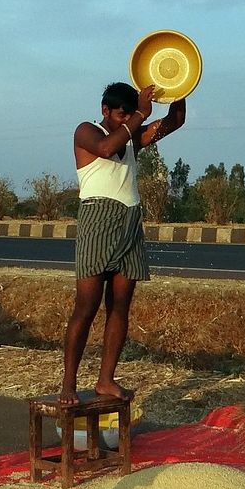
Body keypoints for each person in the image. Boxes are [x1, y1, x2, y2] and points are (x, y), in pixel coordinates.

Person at [59, 81, 187, 405]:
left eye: (129, 115)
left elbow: (174, 122)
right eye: (120, 114)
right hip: (97, 220)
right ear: (105, 110)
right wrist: (141, 114)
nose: (126, 120)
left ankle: (106, 379)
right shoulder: (86, 131)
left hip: (129, 221)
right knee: (86, 307)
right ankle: (68, 384)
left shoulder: (130, 138)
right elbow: (105, 148)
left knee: (119, 307)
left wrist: (179, 88)